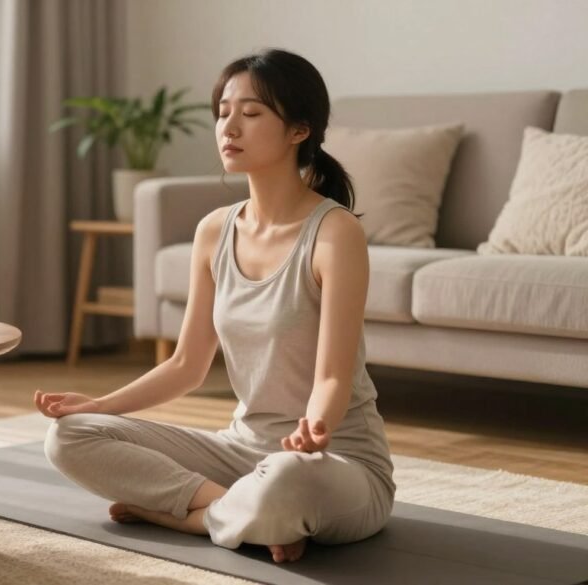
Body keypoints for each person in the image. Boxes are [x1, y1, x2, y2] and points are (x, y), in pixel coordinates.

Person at [33, 48, 395, 564]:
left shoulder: (335, 233)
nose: (229, 127)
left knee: (286, 478)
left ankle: (179, 514)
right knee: (68, 437)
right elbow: (186, 366)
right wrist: (97, 406)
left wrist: (315, 428)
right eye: (223, 112)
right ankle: (232, 512)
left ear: (299, 130)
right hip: (241, 455)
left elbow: (334, 376)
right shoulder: (214, 231)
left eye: (250, 114)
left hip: (333, 462)